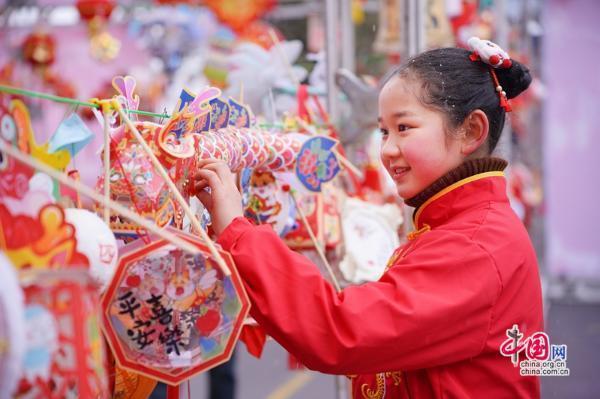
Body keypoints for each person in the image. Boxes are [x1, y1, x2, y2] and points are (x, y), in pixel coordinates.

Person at [192, 40, 543, 398]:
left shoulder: (475, 245)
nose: (388, 149)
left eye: (404, 128)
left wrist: (239, 232)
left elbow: (340, 332)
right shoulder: (462, 227)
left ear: (470, 131)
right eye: (384, 131)